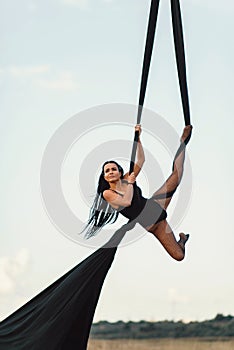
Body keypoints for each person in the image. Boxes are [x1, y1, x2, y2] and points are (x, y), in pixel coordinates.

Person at [83, 124, 192, 261]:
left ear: (119, 172)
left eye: (113, 169)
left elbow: (141, 160)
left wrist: (138, 138)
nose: (111, 172)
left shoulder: (126, 178)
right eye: (107, 171)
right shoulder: (108, 193)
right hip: (154, 224)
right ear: (104, 176)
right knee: (179, 256)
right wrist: (130, 182)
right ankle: (182, 240)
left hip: (155, 203)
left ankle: (183, 141)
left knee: (177, 174)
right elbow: (126, 202)